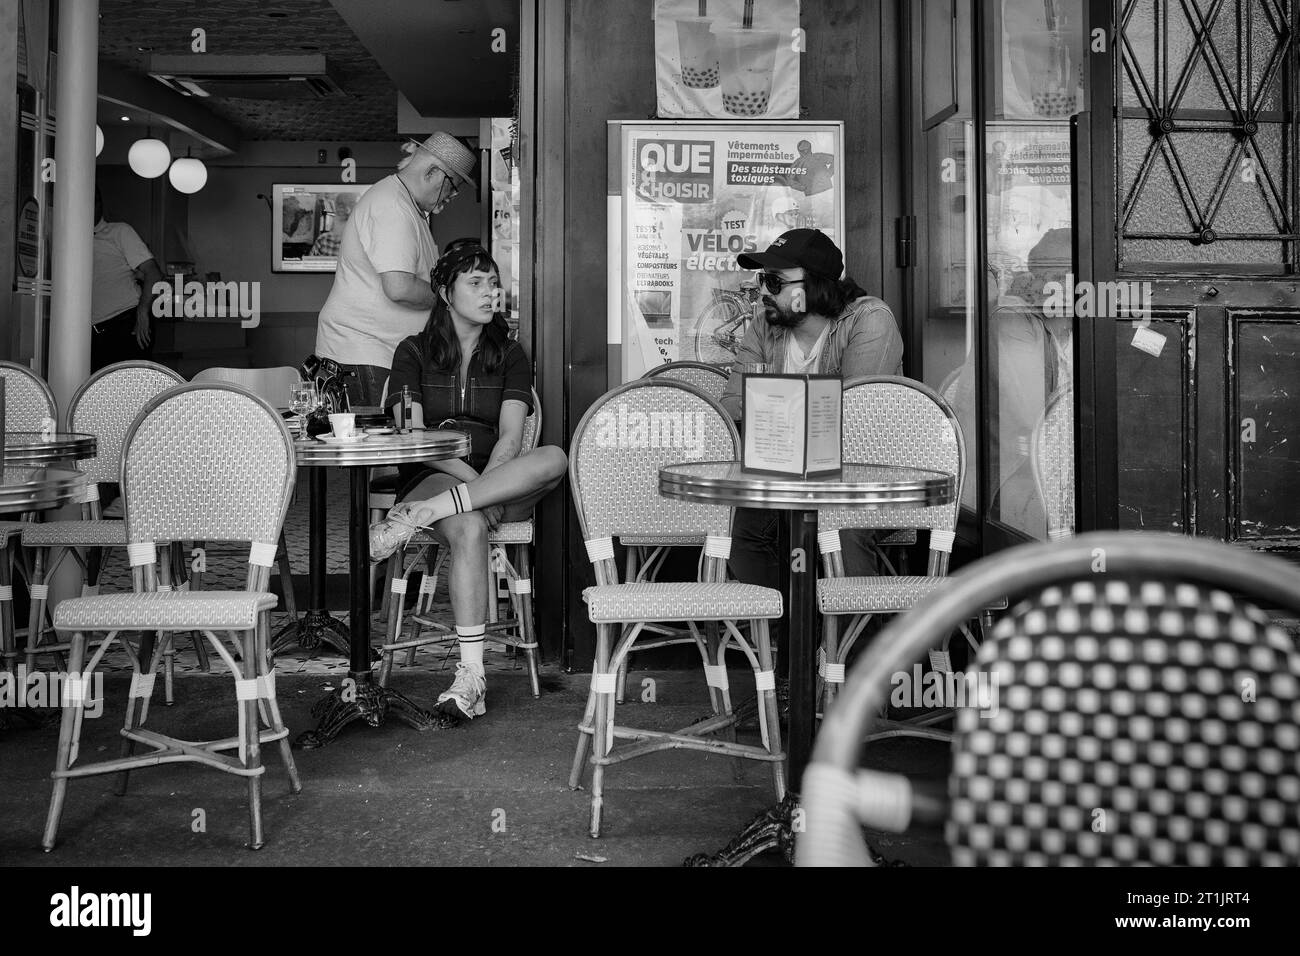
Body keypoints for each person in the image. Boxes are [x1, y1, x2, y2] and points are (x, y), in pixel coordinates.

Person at [369, 243, 567, 722]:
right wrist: (479, 489)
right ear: (445, 291)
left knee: (555, 458)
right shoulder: (412, 352)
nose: (489, 292)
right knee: (473, 524)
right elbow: (415, 438)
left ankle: (441, 511)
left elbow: (511, 437)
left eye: (493, 283)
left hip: (493, 475)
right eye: (475, 283)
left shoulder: (510, 354)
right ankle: (472, 676)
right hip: (433, 477)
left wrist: (487, 483)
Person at [720, 228, 905, 652]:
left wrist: (772, 402)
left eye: (774, 282)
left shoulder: (867, 320)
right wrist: (809, 403)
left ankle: (857, 677)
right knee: (740, 530)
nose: (762, 293)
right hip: (787, 477)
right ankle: (790, 662)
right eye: (761, 281)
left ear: (816, 286)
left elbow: (857, 418)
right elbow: (731, 404)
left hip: (860, 481)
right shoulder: (765, 323)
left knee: (842, 529)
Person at [314, 131, 477, 408]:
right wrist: (452, 299)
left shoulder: (407, 207)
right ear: (433, 173)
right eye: (454, 186)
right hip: (365, 357)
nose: (452, 196)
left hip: (374, 356)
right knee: (374, 449)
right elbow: (399, 288)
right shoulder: (393, 207)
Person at [90, 188, 165, 372]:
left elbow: (154, 273)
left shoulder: (118, 232)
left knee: (131, 390)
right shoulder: (68, 239)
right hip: (90, 331)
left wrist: (142, 313)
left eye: (94, 201)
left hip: (125, 325)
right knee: (97, 393)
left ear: (99, 203)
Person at [308, 192, 357, 258]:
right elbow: (310, 266)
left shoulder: (368, 243)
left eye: (352, 204)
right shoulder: (323, 240)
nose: (347, 211)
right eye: (341, 205)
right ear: (336, 210)